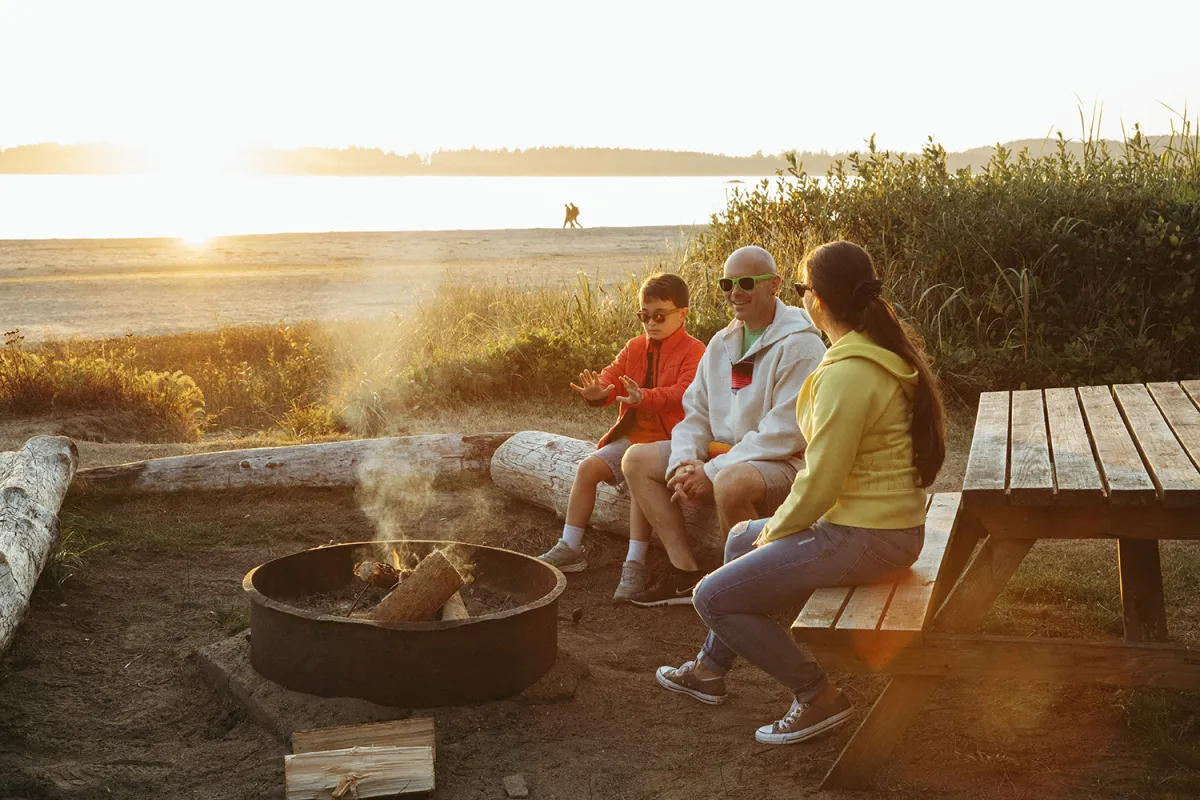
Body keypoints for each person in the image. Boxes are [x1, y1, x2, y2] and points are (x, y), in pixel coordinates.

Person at [654, 240, 947, 746]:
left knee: (712, 596)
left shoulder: (849, 373)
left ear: (817, 300)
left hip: (867, 533)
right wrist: (762, 535)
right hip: (877, 526)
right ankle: (709, 669)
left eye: (801, 289)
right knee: (738, 539)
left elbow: (820, 480)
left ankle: (817, 696)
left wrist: (776, 532)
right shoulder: (870, 354)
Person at [622, 245, 827, 606]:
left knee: (732, 484)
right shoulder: (722, 342)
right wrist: (684, 463)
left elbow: (784, 432)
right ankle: (685, 572)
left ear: (775, 284)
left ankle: (750, 594)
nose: (735, 292)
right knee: (636, 459)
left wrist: (713, 470)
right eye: (727, 283)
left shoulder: (801, 344)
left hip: (785, 462)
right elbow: (695, 412)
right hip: (724, 455)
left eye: (747, 282)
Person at [538, 273, 706, 601]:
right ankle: (571, 547)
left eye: (659, 316)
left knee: (638, 483)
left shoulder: (695, 350)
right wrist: (596, 392)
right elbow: (611, 379)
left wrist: (644, 397)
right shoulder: (634, 348)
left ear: (682, 314)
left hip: (672, 440)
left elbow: (684, 393)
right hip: (633, 437)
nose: (651, 323)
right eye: (644, 315)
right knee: (587, 469)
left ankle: (635, 562)